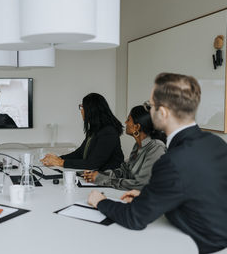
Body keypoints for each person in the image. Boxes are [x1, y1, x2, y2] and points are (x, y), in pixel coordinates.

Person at [87, 73, 227, 254]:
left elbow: (134, 219)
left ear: (163, 113)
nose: (149, 111)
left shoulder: (173, 160)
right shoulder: (215, 143)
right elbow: (196, 192)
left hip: (198, 247)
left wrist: (100, 201)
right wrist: (149, 195)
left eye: (150, 106)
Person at [83, 105, 166, 190]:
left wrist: (105, 180)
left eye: (128, 120)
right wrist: (99, 174)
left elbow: (142, 184)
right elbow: (125, 171)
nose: (125, 122)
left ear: (137, 127)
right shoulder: (137, 146)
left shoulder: (156, 148)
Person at [41, 93, 124, 171]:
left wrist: (60, 162)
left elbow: (93, 164)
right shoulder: (95, 129)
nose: (81, 110)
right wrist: (58, 159)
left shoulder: (109, 132)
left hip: (108, 180)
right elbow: (80, 153)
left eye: (82, 107)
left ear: (91, 110)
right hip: (95, 176)